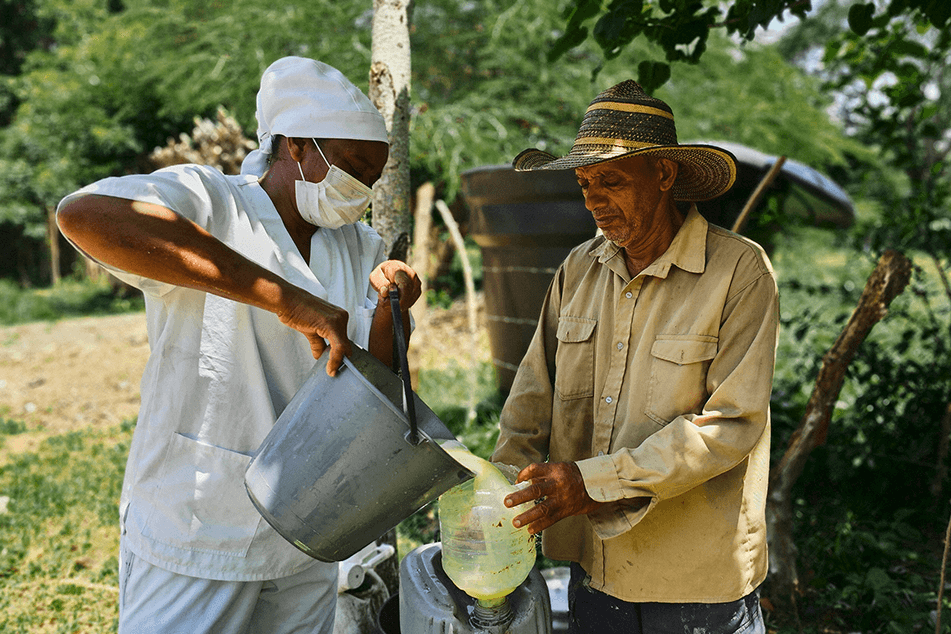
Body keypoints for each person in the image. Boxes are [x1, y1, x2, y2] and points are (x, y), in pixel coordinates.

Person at [56, 56, 421, 634]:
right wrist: (280, 296)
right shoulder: (213, 200)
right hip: (199, 526)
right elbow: (85, 214)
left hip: (306, 532)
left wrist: (394, 305)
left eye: (372, 178)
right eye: (352, 168)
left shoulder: (358, 245)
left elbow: (373, 388)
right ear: (297, 146)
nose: (362, 190)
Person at [491, 80, 778, 633]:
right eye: (584, 184)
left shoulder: (739, 272)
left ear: (664, 176)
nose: (593, 200)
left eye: (612, 181)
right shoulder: (579, 268)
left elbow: (730, 425)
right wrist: (501, 492)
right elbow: (533, 394)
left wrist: (591, 481)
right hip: (594, 571)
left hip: (697, 581)